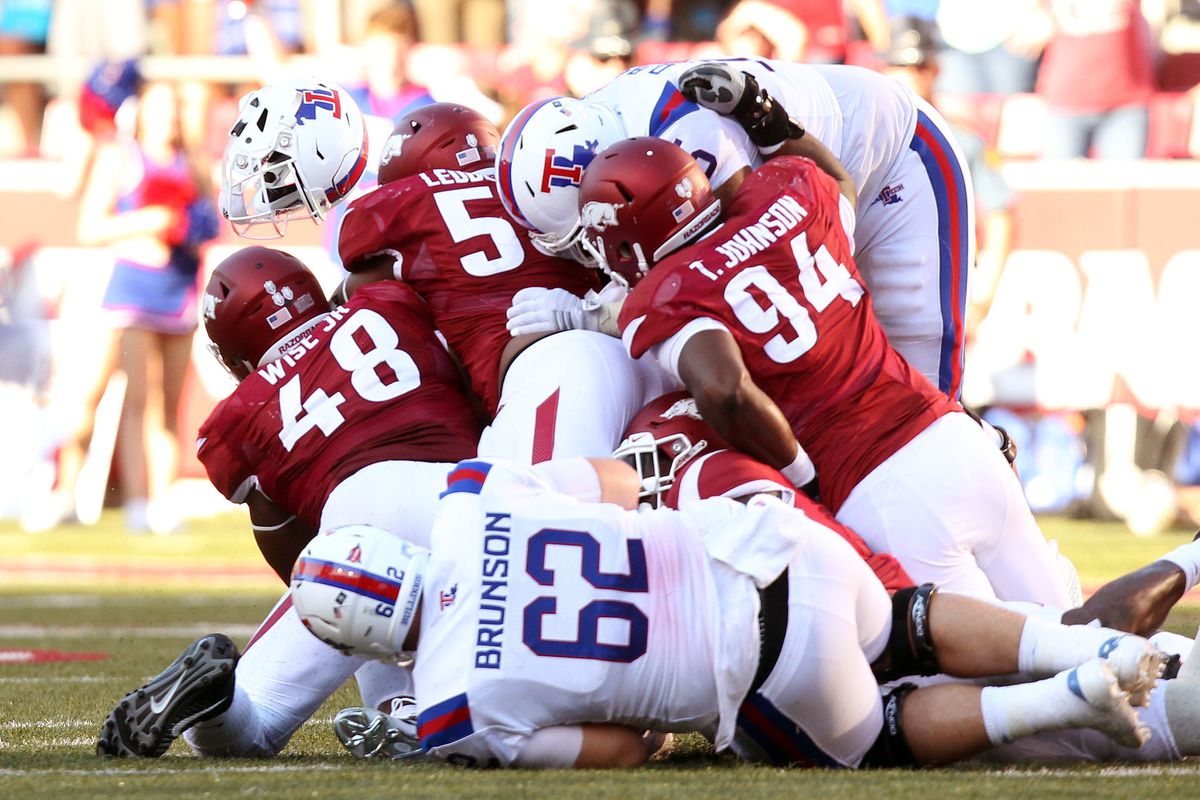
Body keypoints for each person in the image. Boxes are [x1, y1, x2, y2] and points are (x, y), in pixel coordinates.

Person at [287, 458, 1164, 769]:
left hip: (765, 670)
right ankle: (1082, 642)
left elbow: (627, 750)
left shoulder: (450, 709)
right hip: (775, 547)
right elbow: (620, 482)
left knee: (881, 734)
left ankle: (1064, 697)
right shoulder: (467, 504)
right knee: (906, 621)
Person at [572, 136, 1062, 609]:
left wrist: (801, 478)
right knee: (1075, 630)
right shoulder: (786, 189)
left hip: (877, 480)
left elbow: (725, 390)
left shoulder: (666, 291)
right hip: (951, 431)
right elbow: (839, 181)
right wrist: (767, 119)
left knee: (989, 661)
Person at [98, 245, 480, 758]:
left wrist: (323, 598)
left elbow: (285, 544)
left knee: (249, 723)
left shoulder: (235, 419)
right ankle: (406, 710)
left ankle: (220, 702)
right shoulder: (387, 304)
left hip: (354, 519)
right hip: (467, 494)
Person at [496, 56, 975, 398]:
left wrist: (591, 316)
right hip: (814, 192)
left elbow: (735, 272)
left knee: (924, 389)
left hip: (891, 166)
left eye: (584, 240)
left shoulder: (689, 136)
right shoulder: (603, 127)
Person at [256, 99, 675, 462]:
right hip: (638, 348)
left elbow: (349, 302)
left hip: (550, 372)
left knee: (523, 533)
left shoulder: (403, 205)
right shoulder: (532, 183)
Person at [76, 79, 220, 534]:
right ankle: (136, 502)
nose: (168, 118)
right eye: (159, 108)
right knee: (136, 397)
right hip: (132, 291)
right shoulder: (121, 158)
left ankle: (163, 500)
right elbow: (90, 227)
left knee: (169, 404)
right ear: (140, 114)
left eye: (174, 108)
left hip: (177, 288)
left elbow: (207, 225)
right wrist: (148, 222)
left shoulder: (193, 164)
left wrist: (192, 231)